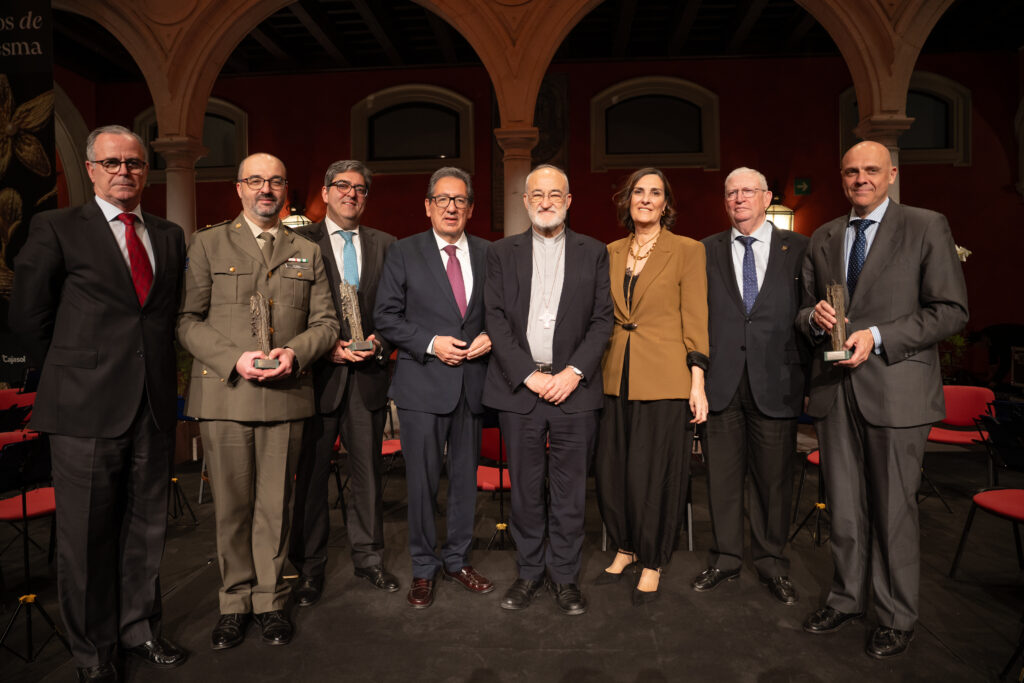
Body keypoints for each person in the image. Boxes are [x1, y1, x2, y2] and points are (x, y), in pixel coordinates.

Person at [8, 125, 187, 682]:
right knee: (85, 539)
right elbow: (28, 317)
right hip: (83, 408)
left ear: (146, 171)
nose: (124, 172)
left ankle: (139, 630)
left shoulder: (169, 234)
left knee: (146, 530)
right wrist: (74, 370)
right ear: (90, 169)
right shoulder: (57, 227)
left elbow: (165, 316)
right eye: (112, 163)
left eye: (134, 163)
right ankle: (94, 655)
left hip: (152, 407)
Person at [797, 141, 968, 658]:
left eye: (871, 170)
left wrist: (878, 335)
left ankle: (896, 615)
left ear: (891, 174)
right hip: (835, 392)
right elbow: (804, 309)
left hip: (896, 390)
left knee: (893, 509)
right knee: (843, 507)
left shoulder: (925, 225)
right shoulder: (825, 236)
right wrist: (812, 319)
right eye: (851, 171)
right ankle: (847, 598)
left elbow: (951, 310)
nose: (860, 179)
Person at [177, 153, 338, 650]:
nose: (265, 189)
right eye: (255, 181)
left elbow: (328, 324)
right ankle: (233, 603)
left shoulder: (306, 251)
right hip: (227, 393)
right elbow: (187, 321)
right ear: (239, 188)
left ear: (285, 189)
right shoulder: (207, 243)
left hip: (286, 396)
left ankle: (269, 602)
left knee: (276, 507)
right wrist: (234, 359)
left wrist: (295, 351)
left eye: (274, 181)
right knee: (231, 508)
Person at [483, 165, 613, 615]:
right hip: (519, 389)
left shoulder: (594, 252)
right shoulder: (501, 253)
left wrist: (573, 372)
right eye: (536, 194)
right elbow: (495, 319)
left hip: (573, 389)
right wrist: (528, 374)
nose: (544, 201)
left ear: (569, 199)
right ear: (524, 201)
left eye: (554, 193)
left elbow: (602, 321)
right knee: (525, 490)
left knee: (570, 490)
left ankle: (564, 576)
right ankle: (529, 572)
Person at [374, 166, 492, 609]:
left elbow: (501, 311)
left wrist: (492, 336)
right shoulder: (404, 253)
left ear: (471, 208)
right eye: (442, 199)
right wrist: (430, 343)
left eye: (460, 200)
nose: (451, 207)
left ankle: (457, 560)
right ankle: (423, 568)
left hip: (472, 386)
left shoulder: (488, 253)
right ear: (427, 206)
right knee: (421, 483)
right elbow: (386, 316)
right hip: (422, 385)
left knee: (464, 482)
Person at [692, 167, 808, 605]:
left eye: (747, 192)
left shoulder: (799, 247)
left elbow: (810, 309)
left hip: (776, 379)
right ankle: (725, 558)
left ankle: (772, 562)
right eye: (731, 193)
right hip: (720, 382)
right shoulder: (706, 250)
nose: (739, 199)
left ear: (767, 197)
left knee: (774, 480)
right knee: (720, 479)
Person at [594, 167, 709, 606]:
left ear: (666, 203)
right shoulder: (608, 251)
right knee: (614, 468)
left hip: (666, 375)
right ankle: (625, 547)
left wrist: (697, 380)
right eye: (638, 192)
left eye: (655, 192)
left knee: (657, 473)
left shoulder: (687, 251)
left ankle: (654, 559)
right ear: (627, 201)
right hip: (614, 373)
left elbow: (695, 316)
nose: (645, 198)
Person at [289, 160, 399, 606]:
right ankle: (309, 568)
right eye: (342, 186)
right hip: (318, 376)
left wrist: (382, 341)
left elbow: (397, 308)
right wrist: (323, 347)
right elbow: (289, 309)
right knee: (311, 477)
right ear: (326, 191)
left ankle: (369, 559)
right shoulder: (298, 241)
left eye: (359, 188)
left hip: (368, 375)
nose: (351, 194)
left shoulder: (387, 245)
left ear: (366, 197)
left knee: (367, 475)